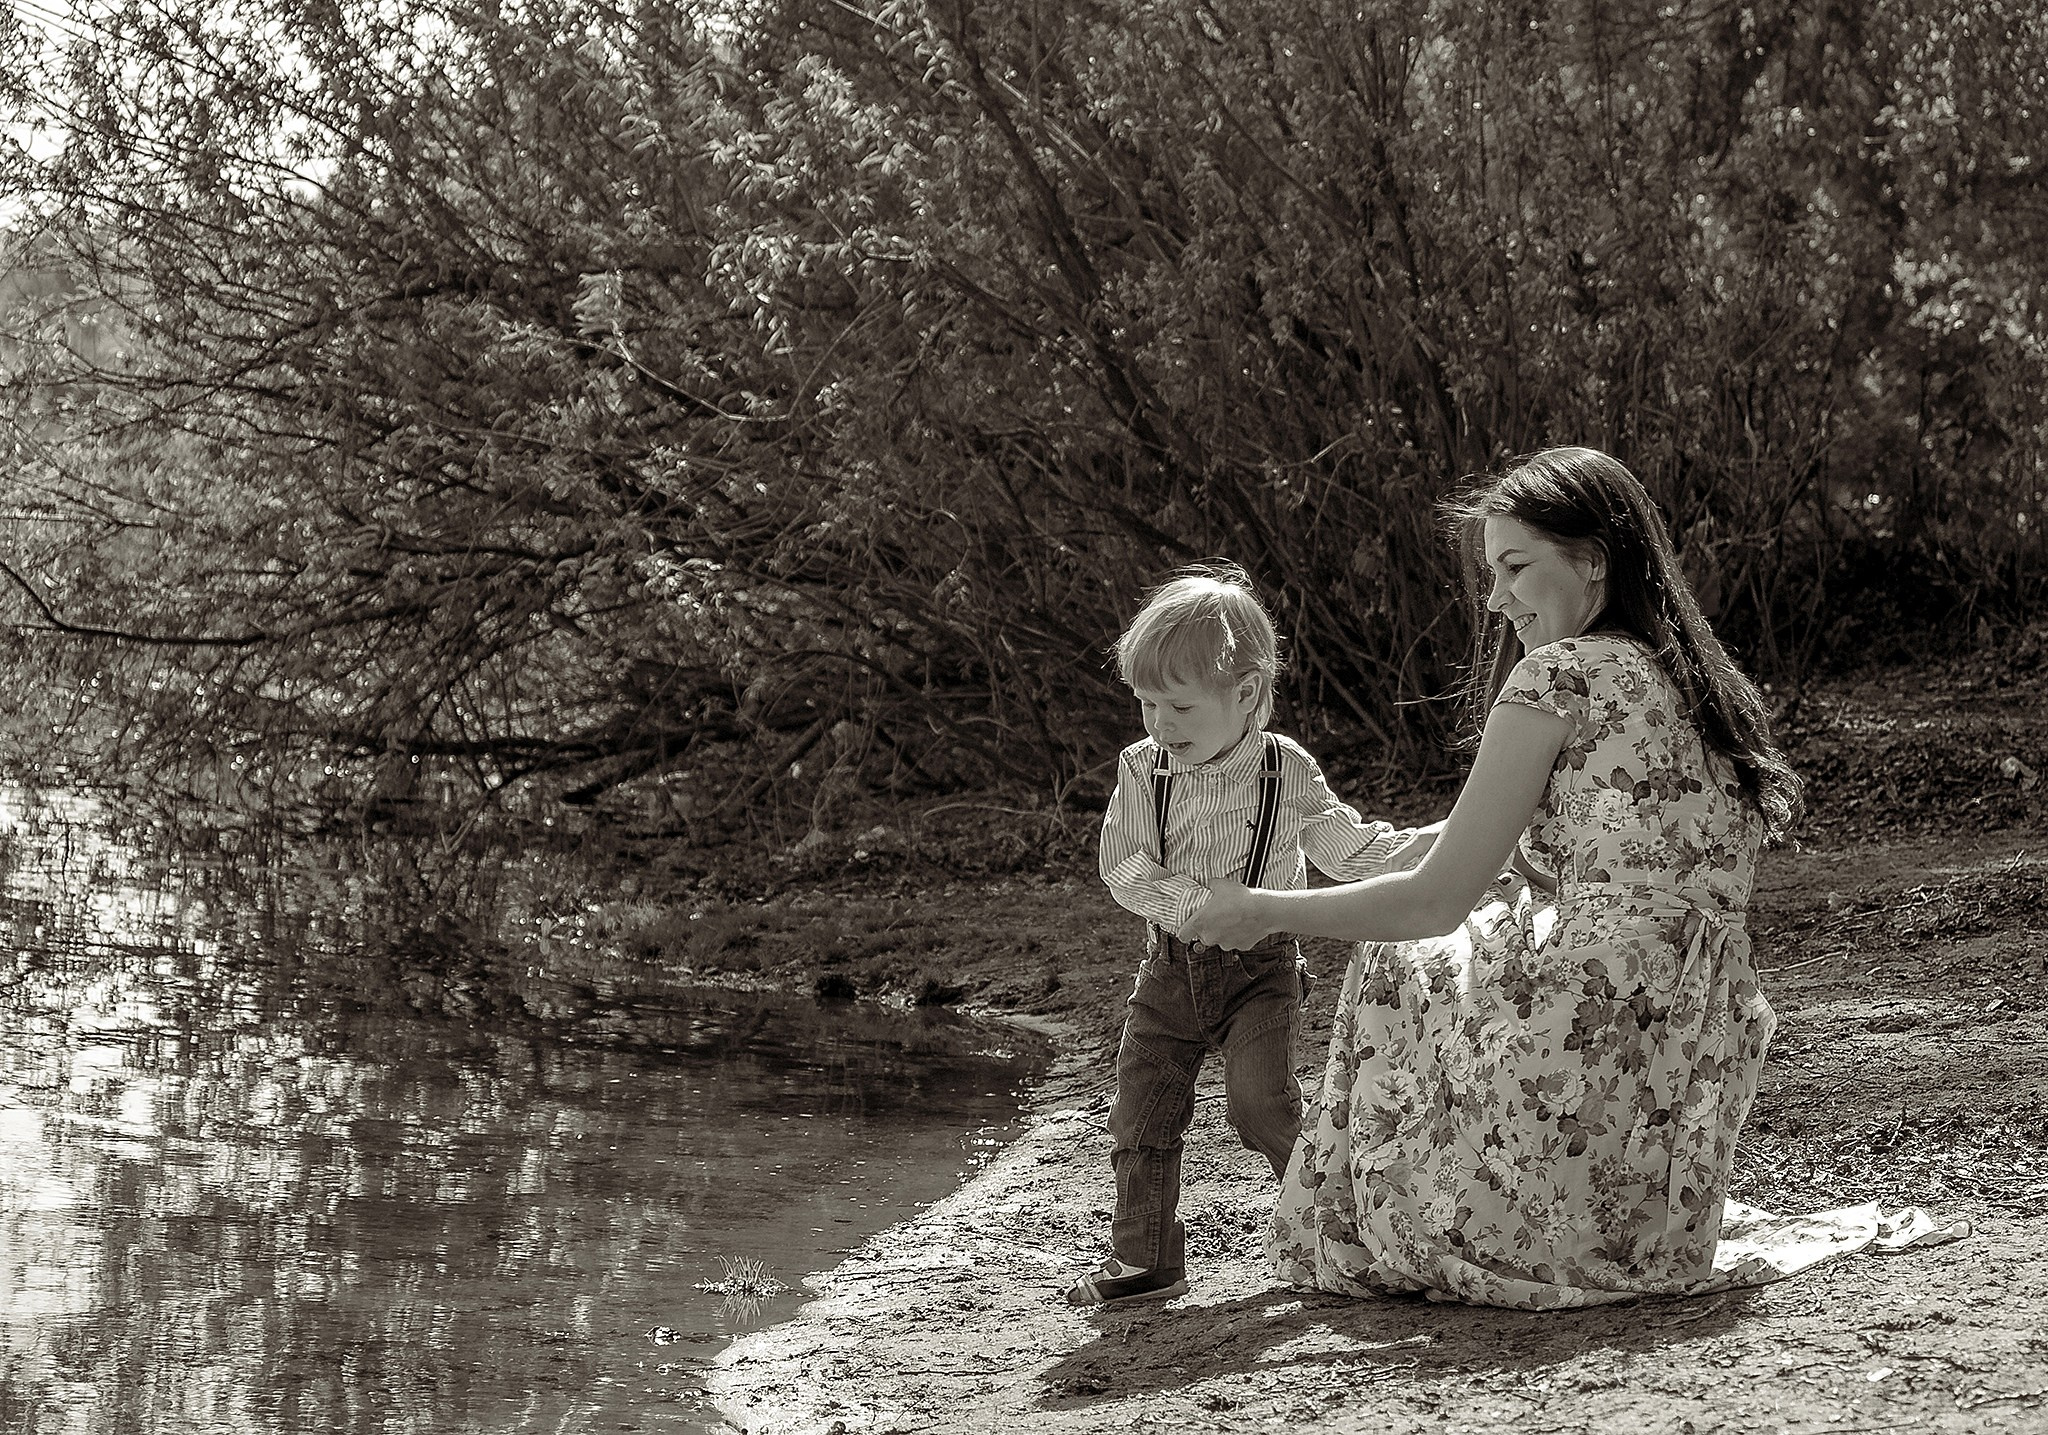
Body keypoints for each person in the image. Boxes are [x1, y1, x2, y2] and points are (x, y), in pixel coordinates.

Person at [1180, 447, 1809, 1309]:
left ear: (1592, 559)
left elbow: (1433, 896)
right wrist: (1330, 845)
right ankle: (1574, 1208)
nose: (1496, 596)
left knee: (1404, 958)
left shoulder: (1557, 676)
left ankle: (1395, 1213)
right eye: (1492, 572)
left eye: (1516, 567)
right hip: (1691, 1040)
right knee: (1477, 926)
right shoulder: (1693, 682)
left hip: (1593, 1020)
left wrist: (1262, 909)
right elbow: (1500, 845)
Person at [1065, 561, 1437, 1308]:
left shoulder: (1283, 769)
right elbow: (1123, 864)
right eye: (1146, 706)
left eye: (1178, 707)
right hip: (1169, 970)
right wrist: (1196, 903)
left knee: (1260, 1104)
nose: (1160, 727)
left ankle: (1335, 1224)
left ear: (1245, 695)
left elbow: (1347, 849)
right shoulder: (1145, 770)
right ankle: (1144, 1259)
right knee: (1140, 1115)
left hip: (1262, 969)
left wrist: (1441, 845)